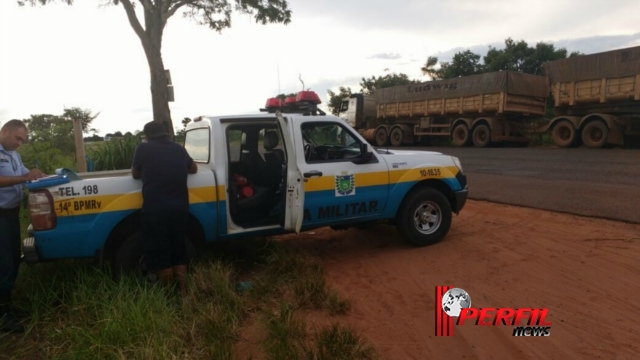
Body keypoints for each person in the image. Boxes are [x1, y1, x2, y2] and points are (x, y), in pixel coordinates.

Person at [131, 121, 197, 298]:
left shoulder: (143, 149)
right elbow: (194, 168)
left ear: (147, 136)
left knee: (160, 255)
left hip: (155, 210)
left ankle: (170, 297)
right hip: (180, 209)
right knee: (179, 252)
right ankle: (184, 295)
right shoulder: (178, 149)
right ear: (166, 133)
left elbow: (135, 173)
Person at [0, 119, 46, 333]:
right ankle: (2, 317)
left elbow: (23, 172)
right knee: (3, 263)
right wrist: (24, 177)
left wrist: (39, 177)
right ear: (5, 131)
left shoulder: (13, 154)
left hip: (11, 214)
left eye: (23, 140)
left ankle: (6, 308)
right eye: (18, 138)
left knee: (11, 260)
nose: (20, 143)